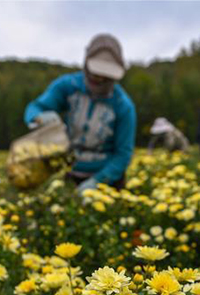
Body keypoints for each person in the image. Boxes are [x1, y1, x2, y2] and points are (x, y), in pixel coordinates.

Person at [24, 34, 136, 193]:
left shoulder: (123, 106)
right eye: (95, 73)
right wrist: (39, 117)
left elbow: (123, 154)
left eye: (105, 76)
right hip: (70, 173)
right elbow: (35, 107)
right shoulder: (68, 86)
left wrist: (97, 182)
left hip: (108, 181)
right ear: (86, 64)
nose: (99, 79)